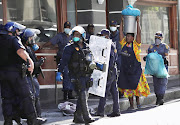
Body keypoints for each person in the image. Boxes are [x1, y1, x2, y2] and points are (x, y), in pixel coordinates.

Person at [56, 26, 96, 124]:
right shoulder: (69, 48)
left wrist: (96, 64)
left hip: (86, 74)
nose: (76, 37)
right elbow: (63, 61)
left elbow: (91, 58)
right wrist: (59, 72)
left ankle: (78, 116)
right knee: (82, 94)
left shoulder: (87, 46)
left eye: (78, 35)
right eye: (74, 35)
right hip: (76, 75)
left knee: (84, 96)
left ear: (82, 36)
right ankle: (86, 116)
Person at [0, 22, 38, 125]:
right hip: (16, 73)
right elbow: (20, 51)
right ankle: (32, 119)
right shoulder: (13, 39)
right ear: (12, 31)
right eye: (17, 31)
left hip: (3, 73)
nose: (18, 33)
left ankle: (8, 121)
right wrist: (30, 61)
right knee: (26, 96)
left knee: (7, 98)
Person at [118, 16, 150, 110]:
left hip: (135, 70)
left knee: (136, 87)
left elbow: (139, 33)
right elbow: (120, 32)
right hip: (126, 70)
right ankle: (131, 105)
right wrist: (122, 21)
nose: (127, 37)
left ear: (132, 38)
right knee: (128, 88)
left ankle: (138, 103)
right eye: (126, 36)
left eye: (129, 36)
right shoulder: (123, 43)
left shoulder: (136, 44)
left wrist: (138, 22)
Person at [42, 21, 75, 100]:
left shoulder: (72, 36)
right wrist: (43, 46)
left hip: (72, 59)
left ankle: (70, 93)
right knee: (66, 75)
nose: (67, 28)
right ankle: (66, 94)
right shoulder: (60, 36)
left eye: (68, 27)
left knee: (72, 75)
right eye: (66, 27)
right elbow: (50, 42)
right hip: (63, 58)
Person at [20, 28, 47, 123]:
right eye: (31, 38)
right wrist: (37, 64)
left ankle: (37, 116)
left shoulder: (28, 49)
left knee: (36, 96)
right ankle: (34, 117)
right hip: (28, 77)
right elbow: (27, 64)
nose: (32, 40)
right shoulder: (24, 50)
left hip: (33, 76)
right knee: (33, 97)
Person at [95, 29, 120, 117]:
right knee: (114, 91)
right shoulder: (109, 44)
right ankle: (116, 110)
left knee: (104, 91)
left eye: (102, 35)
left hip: (109, 71)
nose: (100, 37)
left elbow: (112, 59)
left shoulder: (109, 45)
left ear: (106, 36)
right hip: (111, 70)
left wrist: (107, 70)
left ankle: (100, 111)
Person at [146, 31, 169, 105]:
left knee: (162, 82)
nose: (157, 39)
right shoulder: (151, 47)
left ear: (162, 38)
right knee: (156, 83)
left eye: (159, 38)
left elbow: (166, 54)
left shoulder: (164, 46)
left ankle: (161, 98)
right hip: (155, 67)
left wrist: (164, 59)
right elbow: (149, 55)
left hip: (162, 67)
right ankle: (157, 97)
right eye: (156, 38)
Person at [109, 20, 122, 98]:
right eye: (111, 26)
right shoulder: (109, 35)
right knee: (112, 74)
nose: (112, 27)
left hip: (119, 56)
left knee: (120, 74)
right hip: (111, 57)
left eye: (114, 26)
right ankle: (112, 91)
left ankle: (120, 91)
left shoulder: (120, 34)